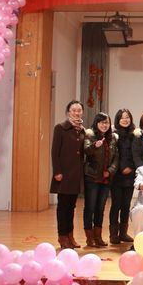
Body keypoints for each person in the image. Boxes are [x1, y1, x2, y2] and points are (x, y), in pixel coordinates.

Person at [50, 100, 85, 250]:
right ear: (68, 112)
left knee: (71, 207)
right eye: (73, 110)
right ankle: (62, 236)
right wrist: (57, 171)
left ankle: (70, 236)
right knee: (63, 207)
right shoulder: (60, 128)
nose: (76, 113)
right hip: (63, 174)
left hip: (76, 175)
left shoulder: (82, 130)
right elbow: (55, 152)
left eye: (79, 110)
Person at [83, 113, 118, 248]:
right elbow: (86, 151)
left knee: (100, 208)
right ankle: (89, 238)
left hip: (105, 178)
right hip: (92, 177)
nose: (104, 125)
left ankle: (98, 237)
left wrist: (110, 171)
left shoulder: (112, 137)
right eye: (102, 122)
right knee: (90, 207)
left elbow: (116, 158)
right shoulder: (90, 135)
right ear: (96, 123)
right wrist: (94, 146)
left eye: (107, 122)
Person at [109, 109, 136, 244]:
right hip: (117, 175)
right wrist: (121, 168)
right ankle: (113, 234)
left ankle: (123, 233)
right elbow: (113, 155)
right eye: (122, 118)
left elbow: (136, 154)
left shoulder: (134, 135)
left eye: (127, 117)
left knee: (126, 204)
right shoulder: (113, 135)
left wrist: (130, 167)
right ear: (117, 120)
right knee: (116, 204)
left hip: (130, 174)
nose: (125, 120)